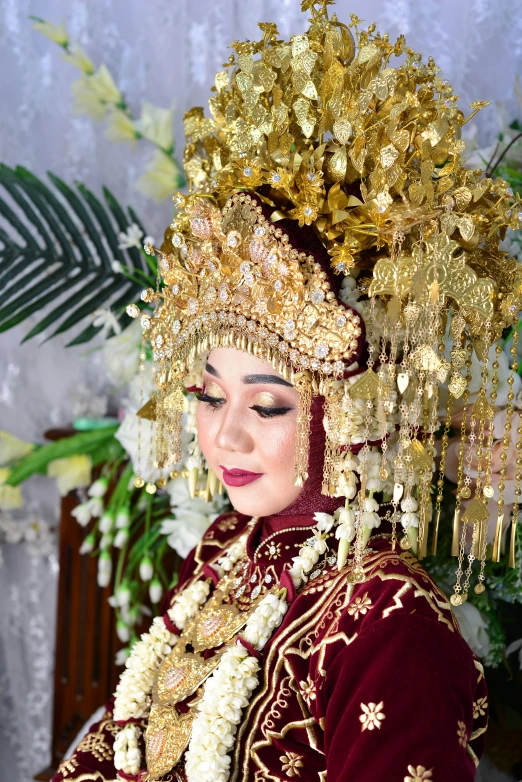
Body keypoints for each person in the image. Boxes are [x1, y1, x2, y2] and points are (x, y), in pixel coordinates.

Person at [52, 2, 522, 781]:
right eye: (208, 396)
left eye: (268, 404)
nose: (225, 436)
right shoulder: (224, 552)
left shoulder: (387, 620)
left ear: (352, 413)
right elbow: (116, 745)